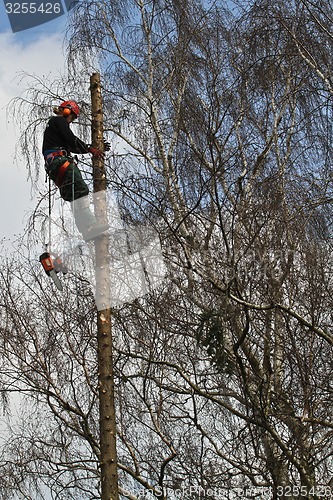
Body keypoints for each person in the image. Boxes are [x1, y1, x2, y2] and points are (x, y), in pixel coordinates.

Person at [42, 100, 109, 241]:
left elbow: (73, 147)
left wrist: (93, 149)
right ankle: (90, 224)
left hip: (55, 167)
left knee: (75, 198)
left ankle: (87, 231)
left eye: (72, 118)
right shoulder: (58, 120)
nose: (70, 120)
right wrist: (91, 149)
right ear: (64, 110)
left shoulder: (55, 130)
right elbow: (71, 139)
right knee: (81, 188)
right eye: (70, 115)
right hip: (60, 163)